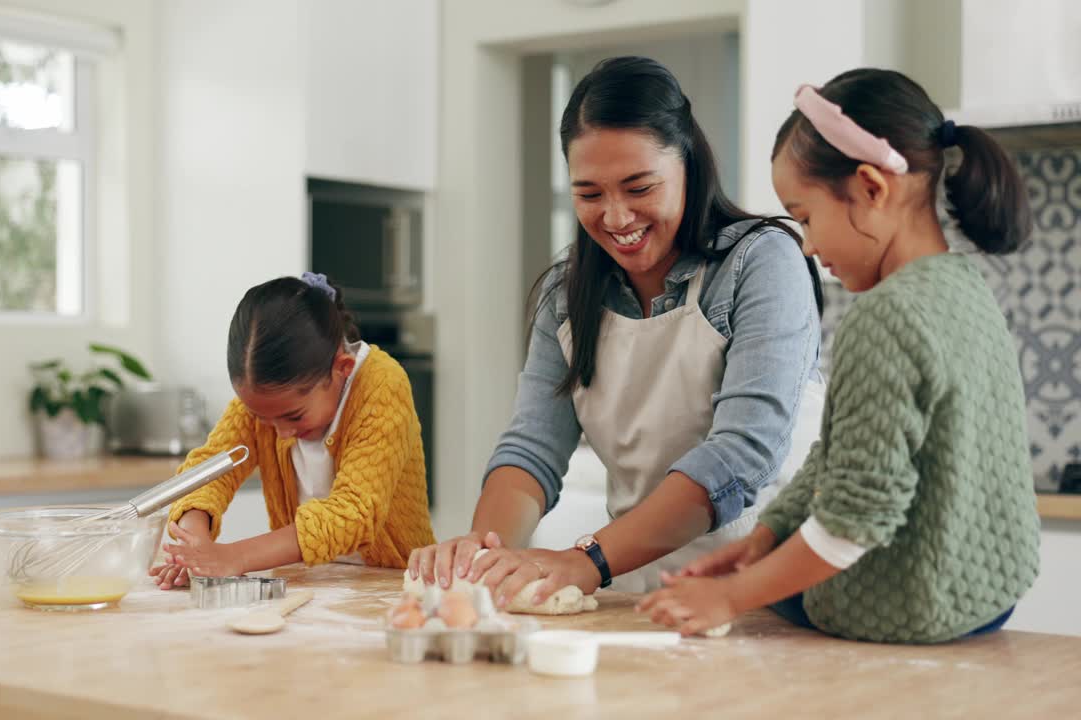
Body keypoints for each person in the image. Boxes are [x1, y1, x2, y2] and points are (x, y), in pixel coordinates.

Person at [408, 56, 826, 608]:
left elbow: (741, 453)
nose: (616, 216)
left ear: (689, 166)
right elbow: (532, 448)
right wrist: (483, 554)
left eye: (639, 187)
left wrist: (588, 560)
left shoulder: (760, 262)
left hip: (764, 595)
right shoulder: (567, 294)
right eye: (589, 194)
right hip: (635, 592)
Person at [642, 69, 1040, 643]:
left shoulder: (886, 318)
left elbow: (855, 520)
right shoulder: (964, 286)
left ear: (873, 188)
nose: (805, 245)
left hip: (909, 603)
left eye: (804, 217)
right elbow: (842, 452)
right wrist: (767, 536)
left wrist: (729, 595)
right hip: (988, 597)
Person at [151, 272, 435, 588]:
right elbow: (208, 470)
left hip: (390, 584)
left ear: (342, 370)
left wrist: (234, 557)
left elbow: (354, 514)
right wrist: (194, 548)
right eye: (262, 419)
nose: (281, 433)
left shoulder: (383, 387)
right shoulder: (267, 406)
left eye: (294, 417)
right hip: (305, 582)